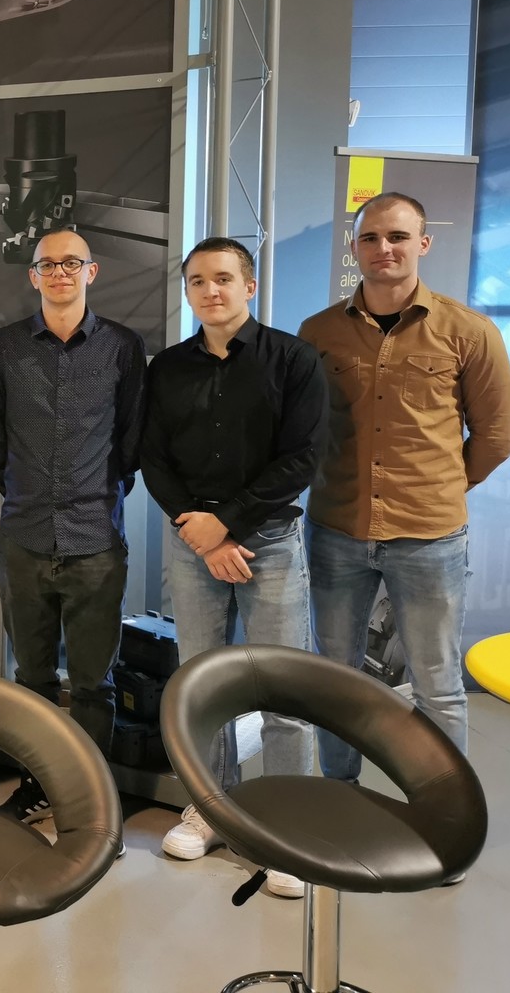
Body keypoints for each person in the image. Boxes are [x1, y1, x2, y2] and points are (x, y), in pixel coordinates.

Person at [300, 192, 510, 795]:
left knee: (437, 683)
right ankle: (338, 793)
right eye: (370, 238)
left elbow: (495, 437)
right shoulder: (318, 332)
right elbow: (303, 426)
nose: (384, 248)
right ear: (355, 247)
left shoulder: (469, 331)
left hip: (430, 538)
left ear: (423, 243)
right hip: (337, 530)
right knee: (335, 678)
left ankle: (445, 811)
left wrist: (440, 485)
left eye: (397, 236)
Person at [140, 237, 326, 899]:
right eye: (197, 281)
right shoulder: (167, 368)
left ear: (249, 286)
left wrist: (229, 524)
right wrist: (199, 530)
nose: (210, 290)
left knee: (282, 690)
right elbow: (152, 456)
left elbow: (302, 458)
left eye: (222, 278)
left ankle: (288, 826)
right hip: (193, 544)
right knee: (203, 686)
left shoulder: (294, 359)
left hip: (268, 542)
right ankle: (210, 809)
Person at [0, 230, 145, 826]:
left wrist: (100, 495)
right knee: (30, 678)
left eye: (71, 263)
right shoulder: (5, 347)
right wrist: (23, 492)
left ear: (91, 272)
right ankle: (36, 786)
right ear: (33, 276)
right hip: (23, 536)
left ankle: (91, 802)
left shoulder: (123, 347)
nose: (59, 273)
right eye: (47, 265)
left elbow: (130, 438)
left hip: (95, 537)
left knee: (93, 683)